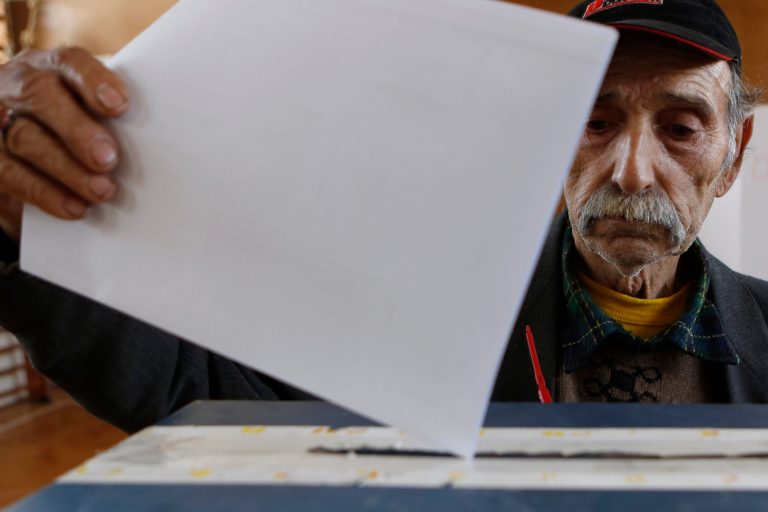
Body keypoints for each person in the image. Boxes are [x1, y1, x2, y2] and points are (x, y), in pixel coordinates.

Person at [0, 0, 765, 433]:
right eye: (595, 122)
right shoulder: (425, 306)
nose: (632, 169)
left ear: (734, 154)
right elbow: (195, 394)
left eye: (680, 127)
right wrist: (32, 219)